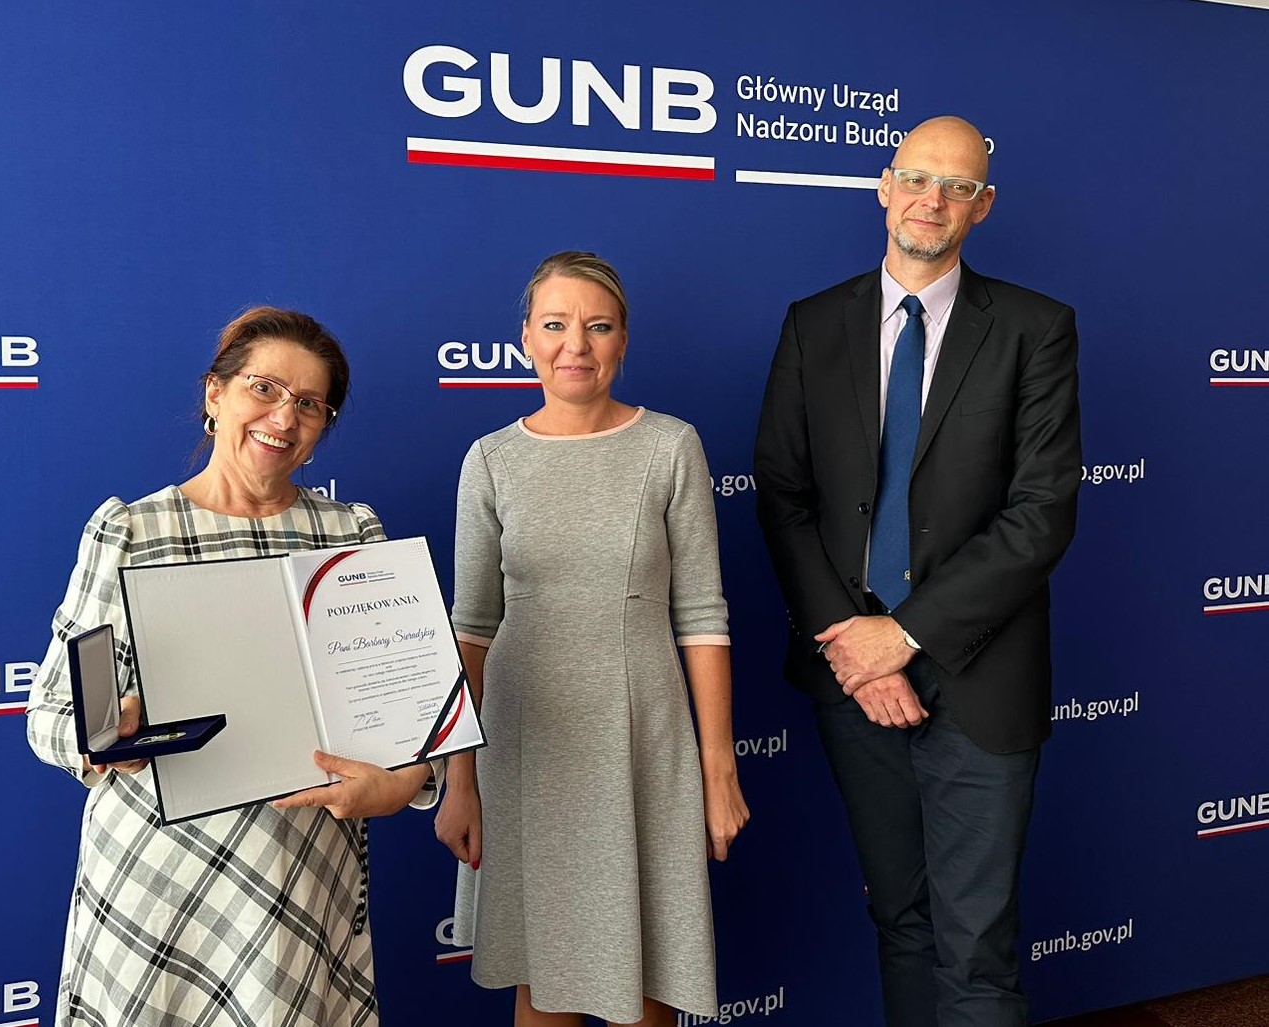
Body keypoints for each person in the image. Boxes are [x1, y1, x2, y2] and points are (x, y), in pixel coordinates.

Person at [755, 116, 1082, 1026]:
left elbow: (1040, 513)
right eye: (916, 178)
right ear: (883, 186)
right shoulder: (813, 323)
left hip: (980, 672)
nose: (931, 200)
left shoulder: (1034, 329)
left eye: (956, 187)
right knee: (900, 920)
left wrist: (899, 636)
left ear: (982, 206)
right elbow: (782, 496)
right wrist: (853, 649)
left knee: (975, 948)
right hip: (851, 677)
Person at [26, 306, 437, 1027]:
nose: (284, 417)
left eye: (310, 403)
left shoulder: (351, 533)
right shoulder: (131, 529)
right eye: (264, 388)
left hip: (304, 878)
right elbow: (50, 715)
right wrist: (106, 734)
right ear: (215, 393)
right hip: (154, 885)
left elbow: (410, 723)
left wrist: (403, 784)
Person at [436, 251, 750, 1027]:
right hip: (524, 748)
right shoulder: (490, 460)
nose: (574, 343)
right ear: (525, 339)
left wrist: (717, 770)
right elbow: (470, 631)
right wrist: (458, 780)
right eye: (555, 324)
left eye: (597, 326)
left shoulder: (669, 446)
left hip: (641, 743)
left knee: (645, 979)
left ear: (622, 341)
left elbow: (702, 617)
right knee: (541, 982)